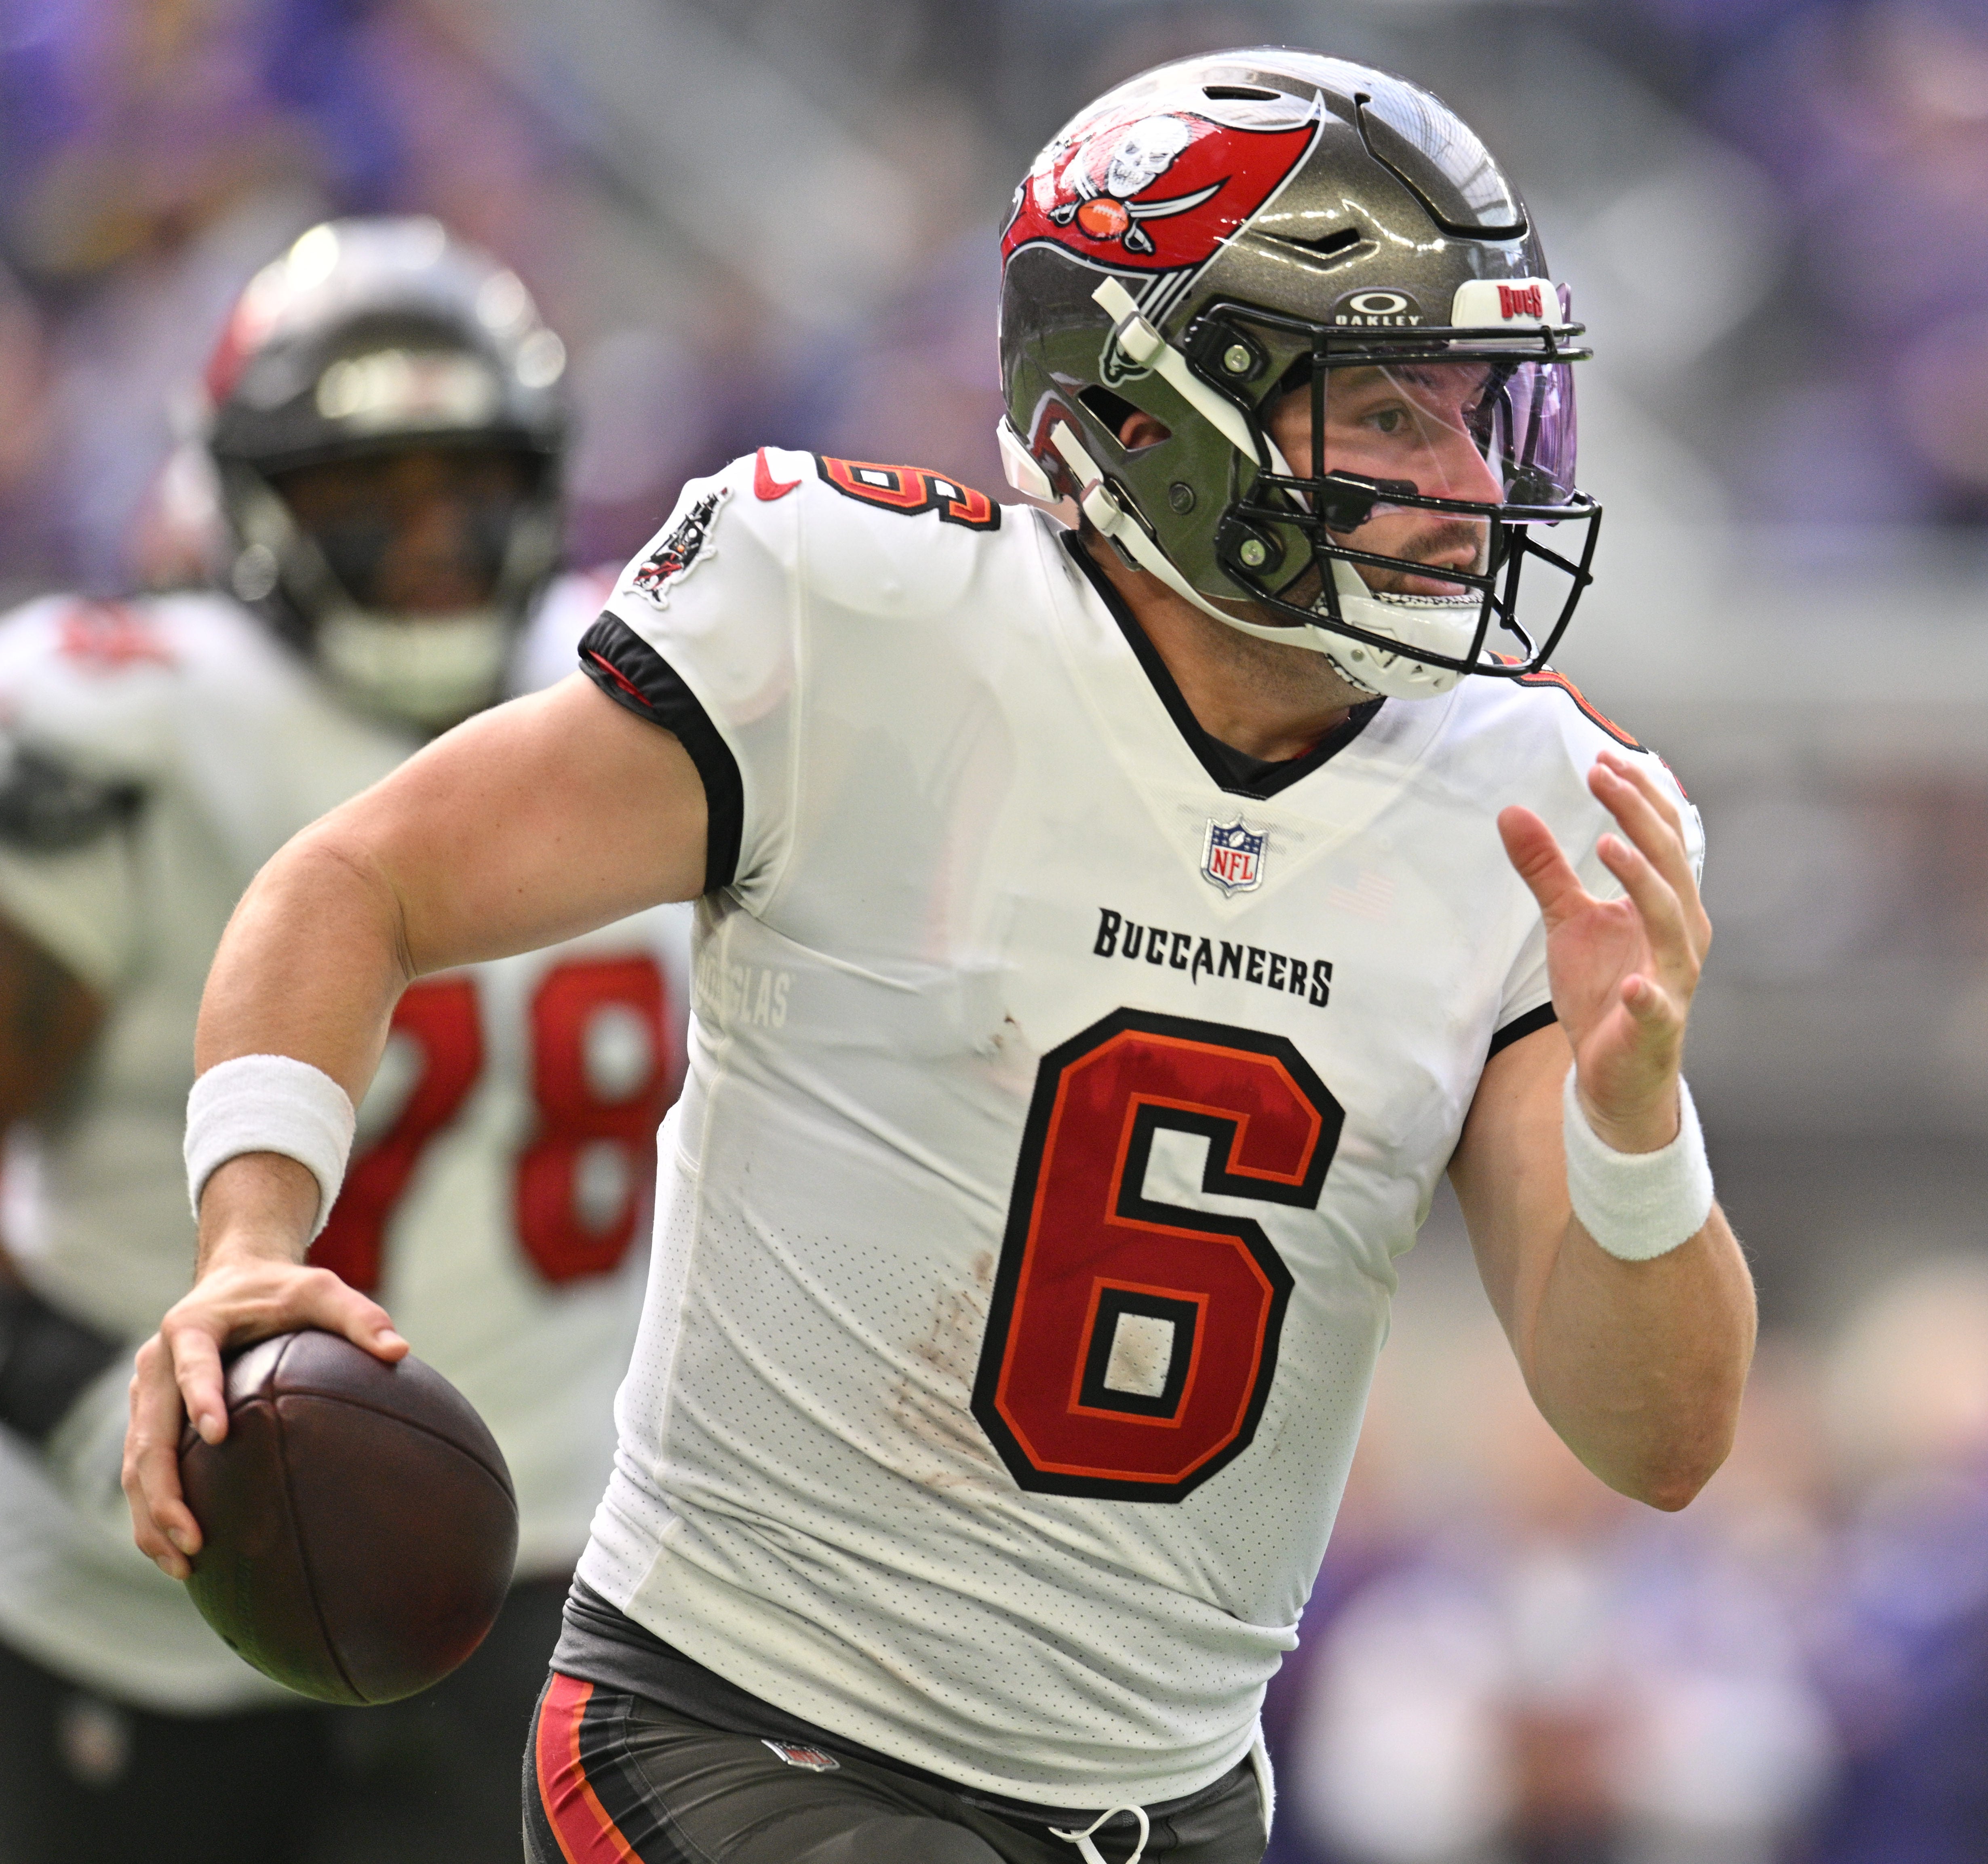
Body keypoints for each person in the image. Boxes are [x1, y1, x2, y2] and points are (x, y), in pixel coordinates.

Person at [122, 50, 1756, 1864]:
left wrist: (1634, 1125)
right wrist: (250, 1244)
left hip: (1174, 1801)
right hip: (736, 1732)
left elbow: (1660, 1438)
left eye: (1473, 412)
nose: (1465, 481)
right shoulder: (862, 625)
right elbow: (357, 879)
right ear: (1146, 418)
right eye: (1378, 413)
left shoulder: (1527, 801)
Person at [0, 215, 684, 1864]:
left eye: (471, 481)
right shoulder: (128, 718)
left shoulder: (658, 702)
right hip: (138, 1570)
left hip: (532, 1569)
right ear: (244, 496)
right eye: (362, 492)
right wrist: (73, 1390)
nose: (434, 539)